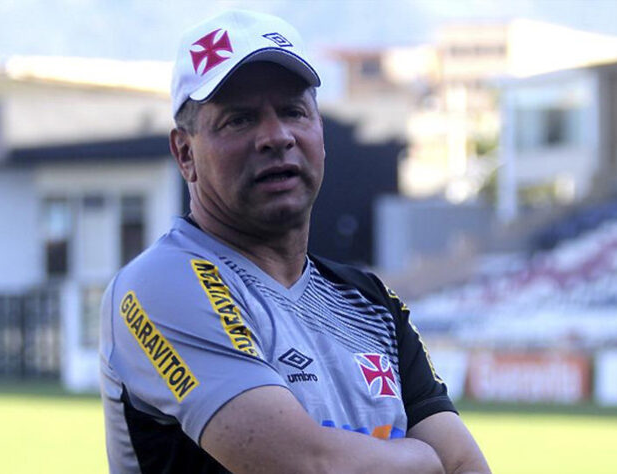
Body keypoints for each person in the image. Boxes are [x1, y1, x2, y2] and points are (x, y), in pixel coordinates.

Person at [100, 9, 491, 474]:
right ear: (185, 153)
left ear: (320, 130)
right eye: (239, 120)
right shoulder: (163, 284)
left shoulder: (369, 303)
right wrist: (423, 461)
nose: (276, 136)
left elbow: (466, 466)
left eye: (293, 111)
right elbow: (307, 466)